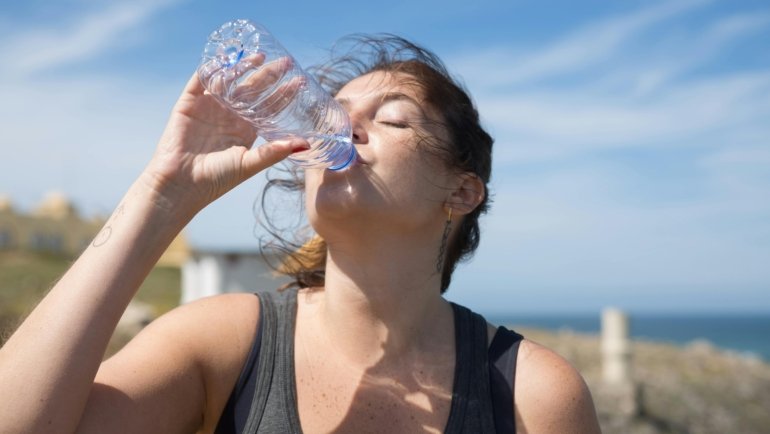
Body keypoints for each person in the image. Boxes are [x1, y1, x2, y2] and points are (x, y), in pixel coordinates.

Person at [0, 34, 601, 434]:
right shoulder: (223, 343)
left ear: (462, 193)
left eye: (391, 118)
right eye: (332, 112)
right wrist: (165, 194)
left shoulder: (532, 393)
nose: (339, 128)